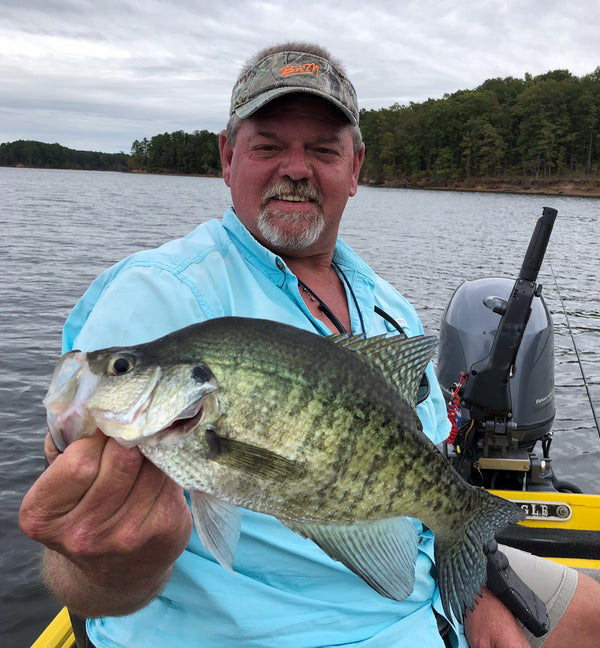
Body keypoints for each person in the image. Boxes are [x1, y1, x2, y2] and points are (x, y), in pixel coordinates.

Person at [20, 42, 600, 648]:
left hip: (426, 599)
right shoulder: (159, 296)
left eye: (323, 150)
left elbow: (422, 478)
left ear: (355, 168)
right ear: (227, 155)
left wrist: (478, 593)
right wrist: (103, 562)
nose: (295, 168)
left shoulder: (389, 308)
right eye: (268, 145)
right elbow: (81, 563)